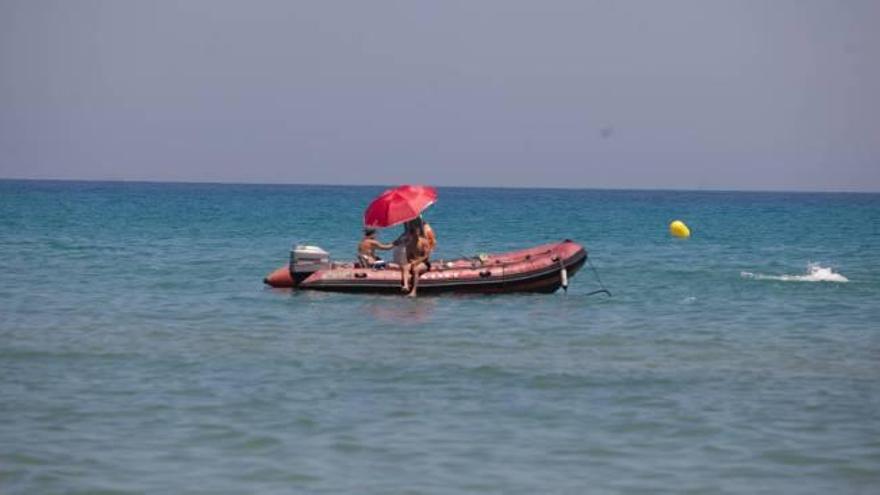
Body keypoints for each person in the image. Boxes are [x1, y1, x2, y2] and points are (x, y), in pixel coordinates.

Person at [400, 217, 434, 296]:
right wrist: (411, 261)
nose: (414, 234)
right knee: (405, 266)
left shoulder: (423, 242)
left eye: (416, 232)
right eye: (413, 233)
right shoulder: (409, 244)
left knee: (416, 269)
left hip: (424, 263)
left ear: (418, 233)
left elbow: (426, 256)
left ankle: (414, 291)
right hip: (414, 262)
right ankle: (405, 285)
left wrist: (417, 262)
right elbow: (408, 256)